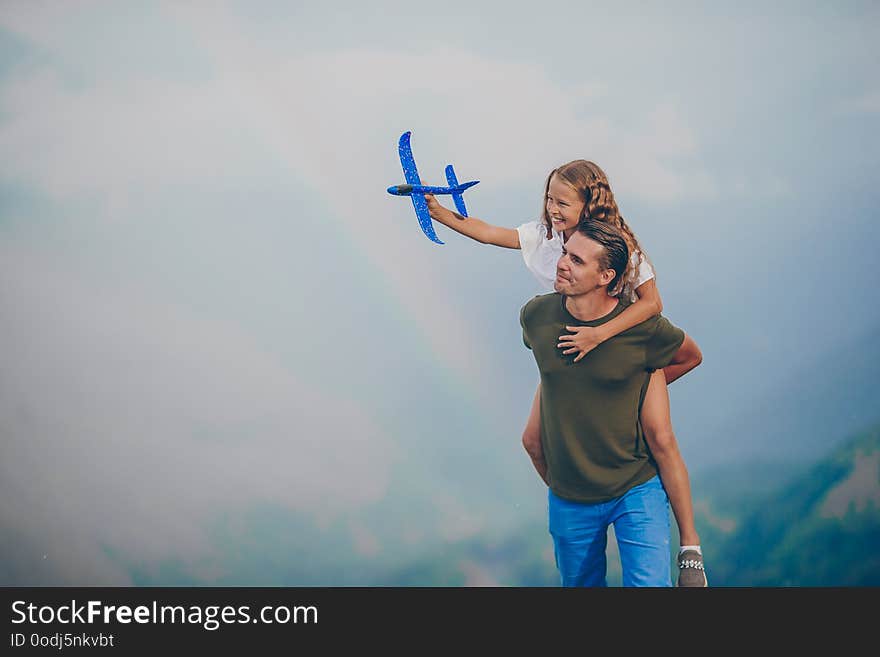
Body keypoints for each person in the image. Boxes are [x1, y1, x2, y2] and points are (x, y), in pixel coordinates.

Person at [425, 160, 707, 586]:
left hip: (625, 341)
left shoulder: (621, 250)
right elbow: (489, 232)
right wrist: (440, 214)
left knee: (659, 436)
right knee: (531, 439)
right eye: (549, 198)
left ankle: (691, 551)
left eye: (562, 201)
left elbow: (653, 305)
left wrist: (605, 344)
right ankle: (572, 500)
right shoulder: (543, 254)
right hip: (566, 354)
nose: (552, 208)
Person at [520, 219, 686, 586]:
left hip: (636, 486)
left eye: (577, 261)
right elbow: (551, 374)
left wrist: (635, 389)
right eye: (565, 253)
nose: (562, 263)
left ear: (606, 276)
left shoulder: (643, 328)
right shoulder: (536, 317)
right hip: (569, 495)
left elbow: (688, 356)